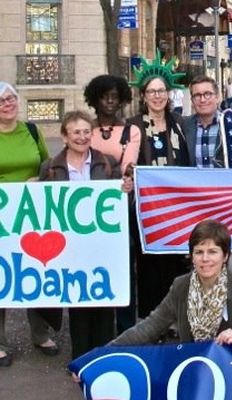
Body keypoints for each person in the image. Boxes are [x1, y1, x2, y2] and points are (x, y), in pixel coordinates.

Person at [39, 110, 133, 360]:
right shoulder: (49, 169)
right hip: (70, 247)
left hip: (103, 246)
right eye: (76, 132)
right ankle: (81, 359)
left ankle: (102, 357)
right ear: (65, 137)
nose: (82, 137)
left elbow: (121, 205)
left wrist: (126, 190)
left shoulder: (107, 163)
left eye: (85, 132)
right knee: (78, 304)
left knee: (104, 302)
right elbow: (42, 208)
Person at [111, 220, 232, 346]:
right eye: (199, 252)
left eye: (213, 252)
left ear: (225, 256)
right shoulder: (181, 286)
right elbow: (148, 327)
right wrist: (103, 352)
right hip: (195, 374)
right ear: (191, 257)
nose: (205, 259)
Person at [0, 81, 62, 367]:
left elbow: (47, 164)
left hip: (32, 212)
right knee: (3, 274)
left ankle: (40, 333)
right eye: (1, 101)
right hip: (2, 215)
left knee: (36, 270)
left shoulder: (31, 130)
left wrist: (40, 179)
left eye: (10, 98)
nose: (6, 104)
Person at [128, 70, 191, 319]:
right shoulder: (133, 126)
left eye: (161, 91)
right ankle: (149, 318)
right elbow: (127, 162)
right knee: (148, 263)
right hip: (146, 207)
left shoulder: (180, 122)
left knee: (176, 262)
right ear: (143, 96)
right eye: (152, 92)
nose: (157, 96)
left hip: (177, 206)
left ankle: (175, 318)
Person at [84, 74, 141, 334]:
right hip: (86, 208)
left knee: (123, 267)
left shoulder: (131, 130)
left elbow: (128, 167)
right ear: (94, 98)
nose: (110, 101)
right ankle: (99, 326)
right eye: (104, 95)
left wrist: (102, 164)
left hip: (119, 207)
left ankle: (126, 327)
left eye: (115, 96)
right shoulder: (85, 128)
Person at [183, 75, 232, 273]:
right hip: (196, 204)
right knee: (202, 260)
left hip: (228, 203)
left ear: (218, 97)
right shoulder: (184, 126)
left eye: (208, 94)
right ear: (192, 100)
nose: (203, 99)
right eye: (197, 95)